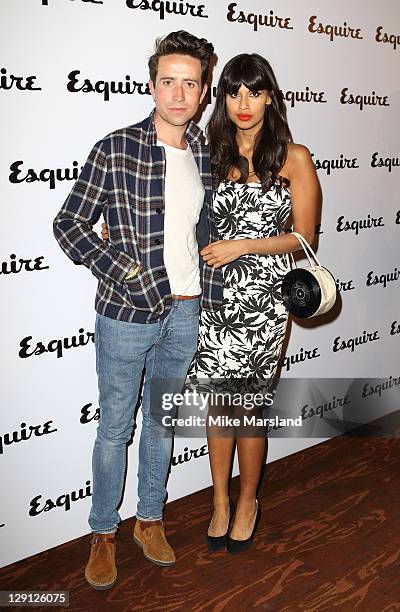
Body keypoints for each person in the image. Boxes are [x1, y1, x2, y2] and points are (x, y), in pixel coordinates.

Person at [53, 30, 222, 589]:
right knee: (114, 427)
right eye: (167, 81)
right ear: (152, 85)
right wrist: (126, 273)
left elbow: (200, 232)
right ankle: (103, 531)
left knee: (162, 421)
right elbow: (69, 224)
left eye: (190, 83)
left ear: (203, 91)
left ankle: (150, 519)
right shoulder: (116, 147)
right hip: (126, 312)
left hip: (187, 309)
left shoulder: (204, 151)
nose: (178, 94)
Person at [191, 53, 320, 554]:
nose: (244, 104)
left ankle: (249, 500)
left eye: (254, 91)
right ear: (223, 98)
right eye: (233, 92)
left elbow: (305, 239)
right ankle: (219, 501)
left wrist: (245, 246)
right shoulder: (211, 155)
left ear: (270, 96)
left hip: (265, 302)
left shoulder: (294, 157)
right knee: (218, 408)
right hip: (214, 299)